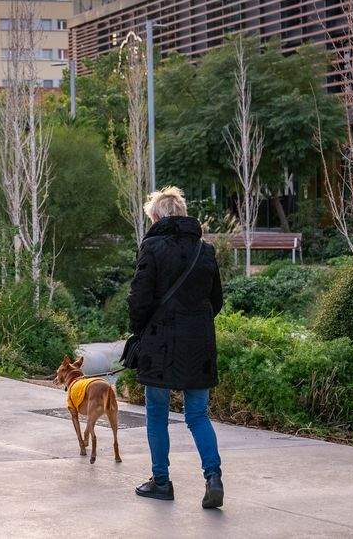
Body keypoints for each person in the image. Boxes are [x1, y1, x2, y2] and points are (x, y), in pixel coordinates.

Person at [128, 186, 224, 509]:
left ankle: (161, 481)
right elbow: (217, 301)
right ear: (183, 215)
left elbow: (139, 300)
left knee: (157, 412)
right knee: (198, 415)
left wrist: (138, 331)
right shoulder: (205, 251)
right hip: (199, 347)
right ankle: (213, 477)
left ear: (157, 216)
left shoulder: (151, 247)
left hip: (159, 345)